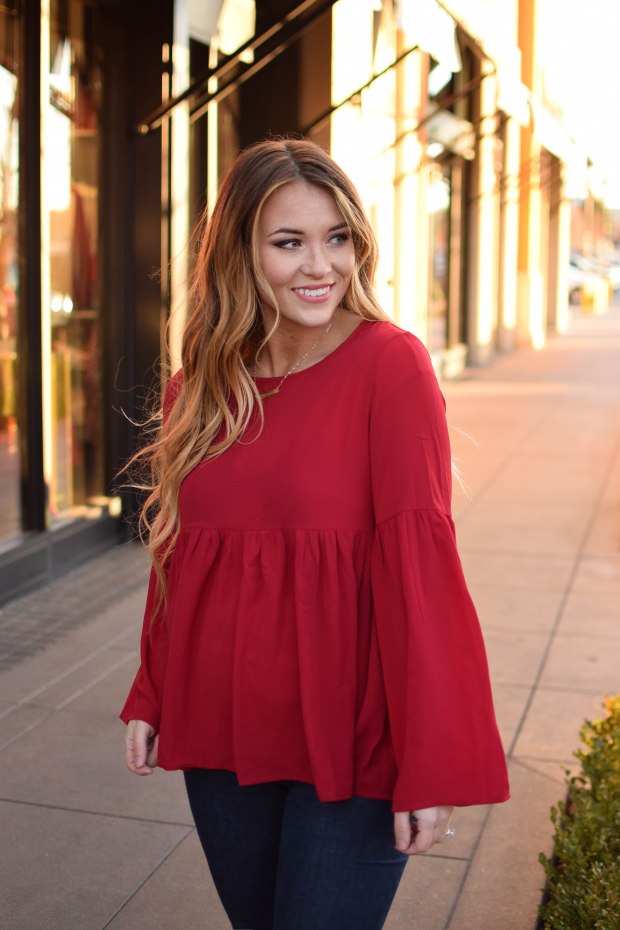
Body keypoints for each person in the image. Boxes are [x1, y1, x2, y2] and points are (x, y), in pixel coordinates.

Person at [120, 138, 509, 930]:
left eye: (336, 238)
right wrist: (152, 689)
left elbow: (421, 574)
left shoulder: (389, 366)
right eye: (288, 242)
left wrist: (430, 763)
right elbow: (180, 558)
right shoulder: (200, 386)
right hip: (226, 723)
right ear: (239, 252)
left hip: (355, 736)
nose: (318, 265)